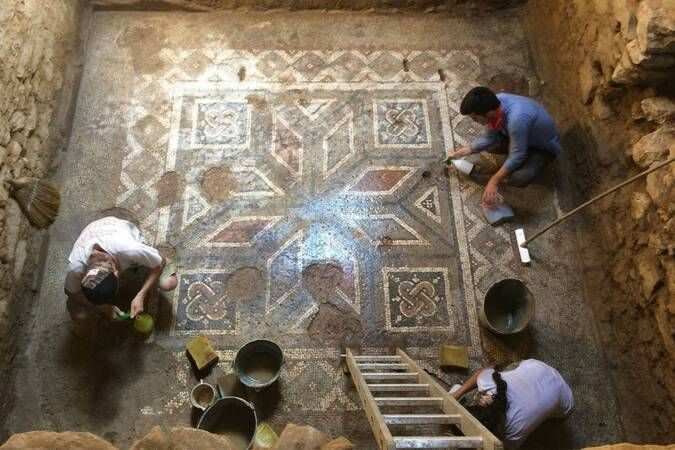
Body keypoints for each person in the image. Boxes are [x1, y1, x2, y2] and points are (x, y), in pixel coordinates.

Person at [447, 87, 562, 210]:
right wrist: (466, 150)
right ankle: (511, 161)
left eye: (475, 118)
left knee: (520, 178)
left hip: (542, 148)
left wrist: (494, 181)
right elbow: (489, 137)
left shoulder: (517, 119)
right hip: (521, 136)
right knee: (491, 146)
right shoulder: (496, 103)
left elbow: (517, 156)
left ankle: (507, 176)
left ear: (488, 113)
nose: (474, 121)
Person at [64, 216, 177, 329]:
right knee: (79, 314)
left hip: (115, 227)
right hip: (92, 232)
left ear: (117, 273)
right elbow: (71, 293)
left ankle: (149, 255)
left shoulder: (129, 249)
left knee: (169, 283)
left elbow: (161, 261)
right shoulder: (76, 267)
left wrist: (141, 295)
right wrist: (103, 307)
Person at [450, 359, 574, 449]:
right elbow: (482, 373)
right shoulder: (490, 384)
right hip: (537, 367)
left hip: (565, 399)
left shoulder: (512, 435)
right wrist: (456, 395)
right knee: (503, 375)